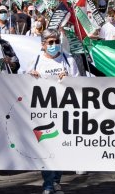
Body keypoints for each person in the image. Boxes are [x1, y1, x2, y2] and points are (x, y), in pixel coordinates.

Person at [26, 29, 79, 194]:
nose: (54, 45)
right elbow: (23, 84)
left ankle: (56, 180)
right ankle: (48, 184)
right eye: (50, 42)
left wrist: (69, 78)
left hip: (64, 110)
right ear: (43, 45)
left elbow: (80, 83)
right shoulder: (35, 60)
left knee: (59, 148)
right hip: (43, 111)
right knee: (46, 147)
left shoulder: (68, 60)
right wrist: (31, 76)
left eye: (56, 41)